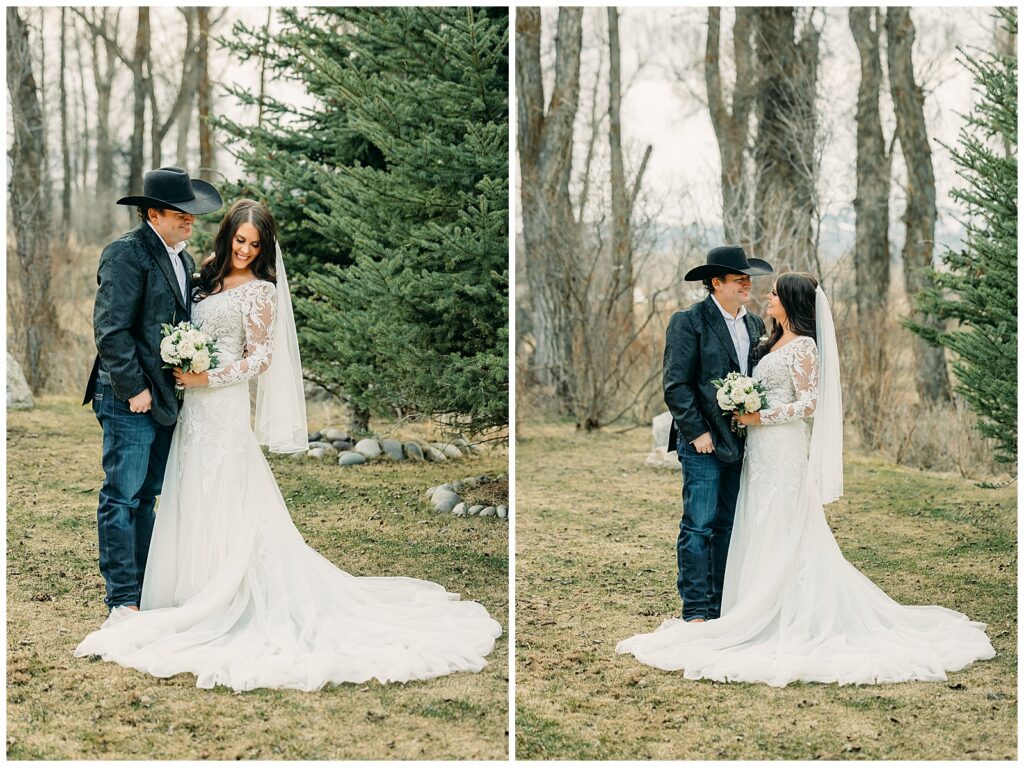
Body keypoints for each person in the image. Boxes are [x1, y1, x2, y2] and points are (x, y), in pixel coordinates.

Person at [76, 199, 502, 691]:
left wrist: (206, 376)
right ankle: (168, 591)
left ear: (265, 248)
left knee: (219, 491)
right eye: (239, 240)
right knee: (176, 491)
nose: (244, 249)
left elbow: (260, 360)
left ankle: (222, 591)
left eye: (255, 244)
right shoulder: (203, 272)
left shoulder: (262, 293)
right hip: (188, 409)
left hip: (219, 400)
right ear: (227, 236)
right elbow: (147, 324)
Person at [617, 272, 995, 686]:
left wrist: (760, 416)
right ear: (717, 283)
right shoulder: (766, 337)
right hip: (756, 451)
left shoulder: (803, 346)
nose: (765, 295)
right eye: (759, 287)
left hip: (782, 448)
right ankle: (738, 606)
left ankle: (783, 609)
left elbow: (809, 403)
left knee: (781, 521)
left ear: (792, 302)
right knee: (750, 521)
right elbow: (688, 381)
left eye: (774, 293)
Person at [83, 167, 223, 612]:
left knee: (147, 495)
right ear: (154, 213)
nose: (190, 221)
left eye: (192, 214)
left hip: (164, 398)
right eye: (181, 214)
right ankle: (122, 598)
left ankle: (144, 588)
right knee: (121, 495)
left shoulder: (181, 258)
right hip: (130, 397)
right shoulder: (126, 254)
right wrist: (134, 389)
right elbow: (111, 330)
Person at [662, 245, 772, 622]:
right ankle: (695, 608)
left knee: (728, 524)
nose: (746, 283)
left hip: (743, 442)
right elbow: (676, 384)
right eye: (738, 277)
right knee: (699, 524)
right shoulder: (688, 322)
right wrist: (696, 433)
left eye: (747, 277)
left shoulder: (755, 324)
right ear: (715, 283)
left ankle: (721, 603)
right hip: (703, 443)